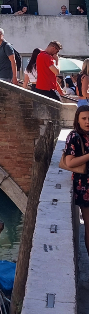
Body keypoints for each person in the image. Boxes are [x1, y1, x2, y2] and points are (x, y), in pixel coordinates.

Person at [61, 104, 89, 256]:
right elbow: (70, 162)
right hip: (84, 187)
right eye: (84, 118)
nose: (87, 121)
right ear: (77, 120)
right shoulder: (74, 137)